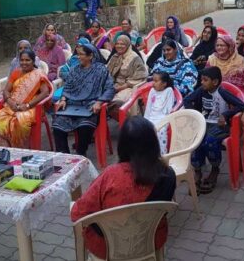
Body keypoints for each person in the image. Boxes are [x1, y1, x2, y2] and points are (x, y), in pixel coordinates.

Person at [71, 117, 176, 260]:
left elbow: (78, 212)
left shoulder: (111, 175)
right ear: (153, 143)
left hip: (108, 247)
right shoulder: (168, 174)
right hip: (150, 240)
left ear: (123, 145)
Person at [184, 67, 244, 193]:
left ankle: (214, 169)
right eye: (201, 80)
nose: (202, 82)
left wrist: (226, 114)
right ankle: (198, 171)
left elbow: (242, 105)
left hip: (220, 127)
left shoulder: (222, 92)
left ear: (215, 82)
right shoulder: (201, 90)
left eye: (205, 80)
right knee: (195, 140)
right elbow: (187, 100)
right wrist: (197, 115)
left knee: (209, 140)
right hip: (204, 124)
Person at [53, 43, 115, 156]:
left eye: (81, 54)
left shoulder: (101, 70)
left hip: (90, 105)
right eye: (78, 54)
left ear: (90, 56)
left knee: (84, 126)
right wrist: (63, 99)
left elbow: (110, 88)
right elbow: (67, 87)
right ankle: (64, 155)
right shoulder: (74, 70)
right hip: (72, 105)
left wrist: (99, 102)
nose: (78, 56)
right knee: (57, 125)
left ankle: (80, 154)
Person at [0, 48, 52, 147]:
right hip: (13, 104)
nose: (24, 63)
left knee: (19, 122)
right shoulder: (16, 73)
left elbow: (45, 92)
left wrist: (27, 105)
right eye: (22, 60)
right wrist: (10, 102)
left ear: (33, 61)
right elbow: (6, 90)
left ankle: (19, 149)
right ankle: (3, 148)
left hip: (32, 106)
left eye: (27, 60)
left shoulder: (38, 74)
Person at [106, 35, 148, 119]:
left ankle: (127, 123)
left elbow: (140, 77)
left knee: (115, 104)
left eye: (122, 44)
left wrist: (120, 87)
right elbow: (107, 72)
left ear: (128, 45)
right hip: (113, 85)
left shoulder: (135, 58)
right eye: (117, 44)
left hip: (128, 87)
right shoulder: (115, 57)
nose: (119, 46)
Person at [206, 35, 244, 102]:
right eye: (217, 45)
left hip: (237, 90)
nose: (219, 48)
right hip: (216, 89)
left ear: (229, 46)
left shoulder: (239, 59)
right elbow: (206, 74)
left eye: (222, 45)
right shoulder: (212, 59)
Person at [144, 72, 176, 154]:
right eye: (152, 80)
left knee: (160, 131)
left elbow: (168, 110)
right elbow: (148, 107)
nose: (153, 83)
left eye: (156, 81)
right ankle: (148, 154)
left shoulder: (169, 91)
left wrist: (164, 122)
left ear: (164, 84)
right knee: (142, 130)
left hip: (163, 119)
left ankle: (162, 155)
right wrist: (145, 120)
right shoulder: (152, 91)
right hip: (151, 118)